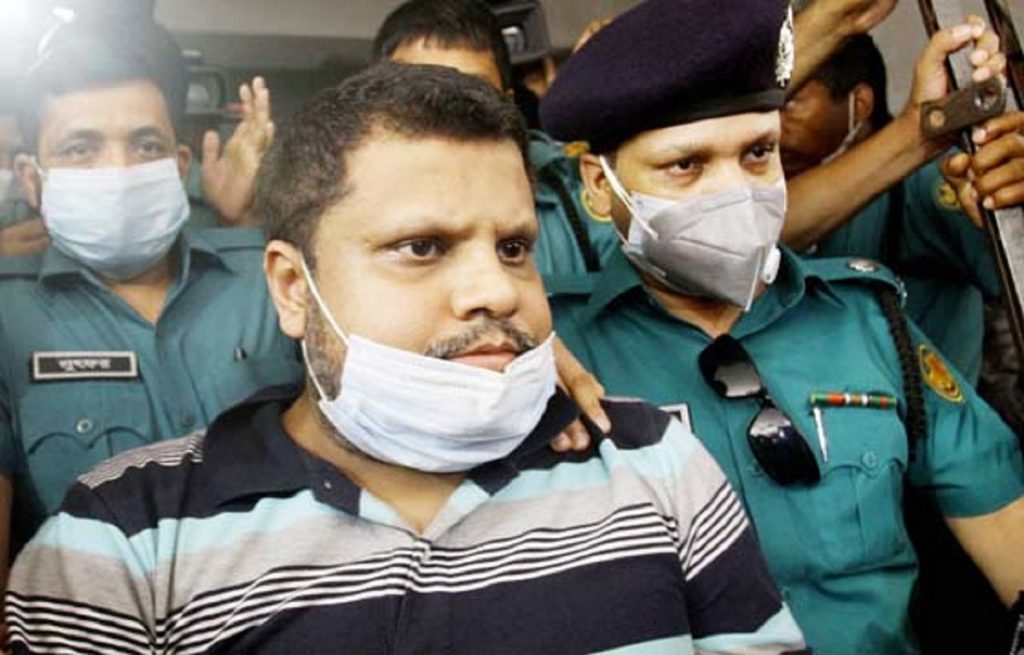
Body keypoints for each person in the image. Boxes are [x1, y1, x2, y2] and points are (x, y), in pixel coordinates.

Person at [4, 62, 808, 655]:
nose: (495, 290)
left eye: (514, 246)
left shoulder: (656, 465)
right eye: (422, 247)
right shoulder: (120, 542)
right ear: (293, 288)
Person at [538, 0, 1024, 653]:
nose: (733, 191)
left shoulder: (868, 323)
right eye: (686, 165)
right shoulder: (557, 357)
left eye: (757, 153)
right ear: (600, 186)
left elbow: (1006, 526)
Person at [0, 13, 303, 563]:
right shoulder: (7, 316)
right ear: (31, 178)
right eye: (80, 148)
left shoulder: (270, 280)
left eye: (145, 145)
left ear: (179, 165)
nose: (117, 170)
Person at [780, 34, 1002, 384]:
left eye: (788, 104)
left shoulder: (926, 179)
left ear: (859, 104)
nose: (771, 125)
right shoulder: (760, 192)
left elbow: (1010, 264)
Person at [373, 0, 619, 278]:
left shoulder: (570, 188)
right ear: (381, 105)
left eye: (474, 95)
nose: (447, 116)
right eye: (421, 95)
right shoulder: (349, 199)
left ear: (508, 104)